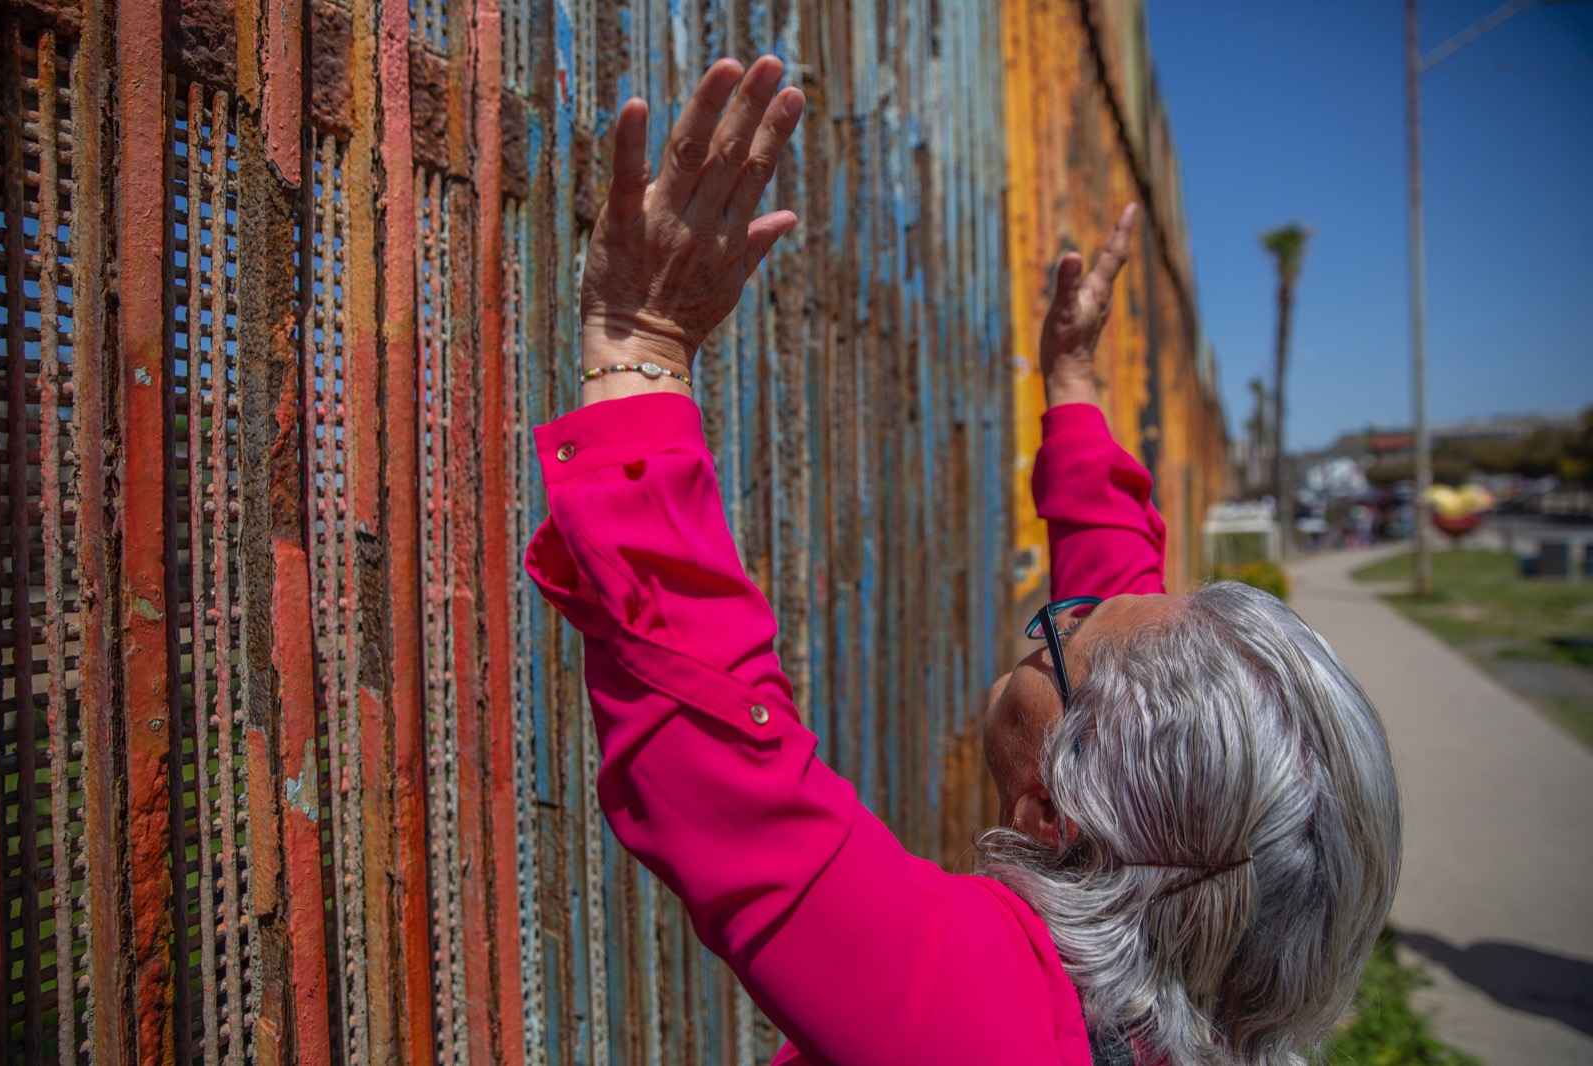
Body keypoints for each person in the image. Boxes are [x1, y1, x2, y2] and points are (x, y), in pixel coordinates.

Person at [526, 55, 1401, 1066]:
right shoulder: (1196, 988)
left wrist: (640, 348)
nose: (1060, 611)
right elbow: (1118, 641)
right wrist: (1072, 388)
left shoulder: (989, 1030)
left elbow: (733, 776)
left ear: (1053, 809)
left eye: (1055, 636)